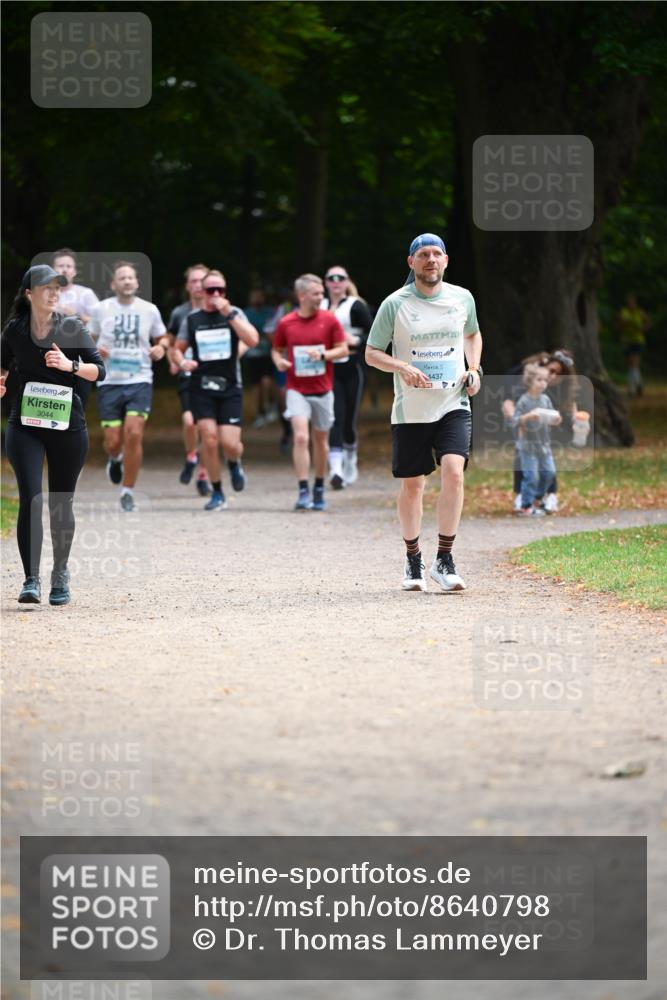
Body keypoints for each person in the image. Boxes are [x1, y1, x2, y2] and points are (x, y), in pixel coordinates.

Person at [365, 233, 482, 592]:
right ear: (411, 262)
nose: (430, 260)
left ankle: (444, 559)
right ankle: (413, 559)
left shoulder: (462, 297)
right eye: (423, 255)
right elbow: (371, 353)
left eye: (436, 254)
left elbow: (473, 335)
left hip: (452, 401)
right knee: (413, 486)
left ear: (446, 260)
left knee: (454, 472)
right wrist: (401, 366)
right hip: (412, 409)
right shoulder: (394, 304)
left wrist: (474, 369)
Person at [0, 264, 106, 605]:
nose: (54, 291)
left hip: (67, 427)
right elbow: (2, 367)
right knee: (31, 499)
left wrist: (70, 366)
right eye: (46, 287)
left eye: (58, 287)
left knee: (61, 503)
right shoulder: (15, 330)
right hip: (26, 425)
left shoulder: (72, 327)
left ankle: (60, 573)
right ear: (29, 294)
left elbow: (98, 371)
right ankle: (31, 579)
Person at [173, 269, 259, 511]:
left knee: (230, 444)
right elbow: (177, 348)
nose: (215, 294)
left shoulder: (234, 313)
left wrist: (228, 313)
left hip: (230, 386)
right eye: (211, 290)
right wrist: (182, 362)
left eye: (220, 290)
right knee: (209, 440)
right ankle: (218, 492)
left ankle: (234, 462)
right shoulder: (192, 319)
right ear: (202, 290)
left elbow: (252, 340)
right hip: (201, 387)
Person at [89, 261, 169, 512]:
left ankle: (127, 491)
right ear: (113, 284)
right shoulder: (101, 309)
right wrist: (94, 351)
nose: (126, 281)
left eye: (130, 278)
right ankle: (115, 459)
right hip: (110, 381)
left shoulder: (150, 310)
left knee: (134, 434)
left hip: (140, 379)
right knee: (113, 441)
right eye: (121, 278)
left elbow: (162, 338)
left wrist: (160, 348)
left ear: (137, 283)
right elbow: (88, 339)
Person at [271, 274, 348, 511]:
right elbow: (276, 350)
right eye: (316, 294)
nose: (321, 297)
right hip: (297, 389)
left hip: (323, 389)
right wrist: (279, 362)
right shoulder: (287, 323)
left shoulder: (329, 320)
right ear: (302, 295)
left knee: (320, 440)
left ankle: (319, 487)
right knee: (301, 437)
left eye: (321, 294)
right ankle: (303, 488)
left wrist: (324, 355)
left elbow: (343, 349)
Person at [322, 266, 373, 489]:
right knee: (334, 416)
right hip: (328, 367)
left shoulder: (356, 306)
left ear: (346, 281)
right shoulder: (320, 306)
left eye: (340, 278)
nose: (335, 282)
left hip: (352, 367)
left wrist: (355, 341)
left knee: (349, 420)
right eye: (331, 278)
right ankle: (335, 470)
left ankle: (350, 459)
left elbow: (374, 336)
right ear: (325, 283)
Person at [166, 263, 212, 496]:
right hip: (187, 373)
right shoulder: (179, 313)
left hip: (211, 374)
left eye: (201, 281)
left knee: (206, 427)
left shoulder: (216, 311)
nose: (197, 285)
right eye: (193, 281)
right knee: (189, 422)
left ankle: (203, 473)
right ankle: (192, 455)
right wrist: (173, 360)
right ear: (187, 286)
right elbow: (171, 342)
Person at [52, 248, 100, 411]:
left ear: (74, 271)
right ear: (53, 270)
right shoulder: (45, 293)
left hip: (79, 364)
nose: (64, 269)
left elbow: (101, 323)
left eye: (68, 266)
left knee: (76, 411)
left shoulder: (85, 294)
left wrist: (76, 315)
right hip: (49, 361)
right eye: (60, 266)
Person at [510, 363, 561, 517]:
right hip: (527, 446)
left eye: (545, 380)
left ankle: (537, 497)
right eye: (539, 380)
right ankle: (526, 505)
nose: (543, 383)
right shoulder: (524, 401)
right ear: (529, 381)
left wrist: (556, 419)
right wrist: (528, 416)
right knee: (531, 476)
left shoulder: (545, 399)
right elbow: (515, 420)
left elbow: (552, 417)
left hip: (544, 445)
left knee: (549, 473)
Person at [241, 288, 279, 427]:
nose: (257, 299)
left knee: (268, 381)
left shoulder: (270, 312)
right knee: (256, 386)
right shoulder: (245, 314)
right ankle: (260, 412)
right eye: (254, 297)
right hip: (252, 356)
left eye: (259, 296)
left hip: (268, 354)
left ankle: (272, 406)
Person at [618, 293, 650, 397]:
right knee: (630, 365)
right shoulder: (624, 312)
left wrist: (643, 328)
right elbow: (620, 323)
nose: (631, 304)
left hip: (638, 341)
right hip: (627, 341)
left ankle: (632, 389)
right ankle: (639, 384)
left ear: (635, 303)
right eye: (629, 303)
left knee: (633, 363)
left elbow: (648, 323)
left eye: (632, 302)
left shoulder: (639, 312)